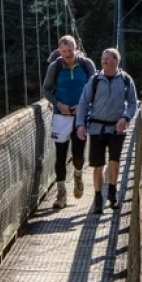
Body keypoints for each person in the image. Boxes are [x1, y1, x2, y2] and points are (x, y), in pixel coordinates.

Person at [78, 47, 139, 213]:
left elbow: (133, 103)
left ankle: (112, 192)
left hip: (116, 129)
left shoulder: (126, 80)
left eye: (107, 58)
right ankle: (98, 197)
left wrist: (126, 118)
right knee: (97, 165)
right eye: (103, 58)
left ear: (116, 61)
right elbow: (83, 103)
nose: (103, 61)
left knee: (114, 161)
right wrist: (80, 125)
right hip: (97, 128)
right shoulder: (95, 80)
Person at [40, 34, 94, 203]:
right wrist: (59, 104)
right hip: (60, 116)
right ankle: (61, 193)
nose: (67, 54)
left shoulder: (86, 65)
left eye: (69, 50)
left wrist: (83, 105)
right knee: (60, 155)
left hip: (80, 116)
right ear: (59, 51)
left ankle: (78, 175)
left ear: (75, 49)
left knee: (78, 154)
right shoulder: (55, 67)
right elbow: (46, 90)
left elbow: (95, 87)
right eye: (63, 51)